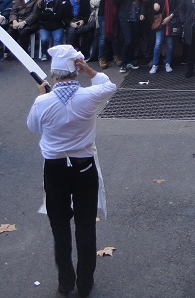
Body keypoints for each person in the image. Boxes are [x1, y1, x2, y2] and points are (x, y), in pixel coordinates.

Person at [27, 45, 117, 297]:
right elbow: (109, 85)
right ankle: (85, 282)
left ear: (54, 75)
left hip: (55, 168)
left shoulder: (43, 101)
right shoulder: (89, 96)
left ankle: (65, 281)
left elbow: (33, 127)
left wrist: (41, 95)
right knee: (86, 225)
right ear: (75, 72)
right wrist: (91, 71)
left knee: (59, 225)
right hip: (84, 166)